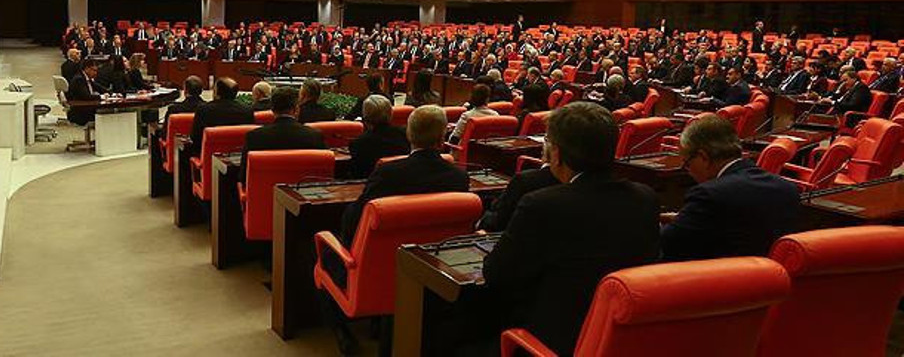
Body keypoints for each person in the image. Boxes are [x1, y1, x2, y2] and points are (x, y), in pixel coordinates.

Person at [481, 102, 660, 356]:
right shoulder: (645, 199)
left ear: (556, 154)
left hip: (551, 341)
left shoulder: (542, 204)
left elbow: (496, 274)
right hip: (622, 339)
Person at [323, 105, 469, 355]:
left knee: (326, 251)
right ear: (442, 136)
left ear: (409, 135)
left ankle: (342, 330)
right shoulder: (458, 177)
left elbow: (353, 220)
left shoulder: (388, 173)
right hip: (434, 269)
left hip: (378, 270)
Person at [660, 114, 800, 261]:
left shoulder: (709, 194)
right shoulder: (787, 189)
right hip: (769, 273)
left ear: (703, 157)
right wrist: (686, 218)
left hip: (719, 272)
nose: (688, 171)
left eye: (687, 164)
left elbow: (668, 243)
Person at [239, 87, 324, 183]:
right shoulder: (315, 135)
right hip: (302, 190)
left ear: (272, 109)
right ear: (296, 109)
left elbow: (243, 177)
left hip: (263, 190)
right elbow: (322, 176)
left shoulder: (254, 137)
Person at [346, 94, 409, 179]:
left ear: (365, 116)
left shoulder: (359, 143)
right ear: (391, 113)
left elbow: (358, 174)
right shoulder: (405, 135)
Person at [190, 78, 254, 153]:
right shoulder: (247, 110)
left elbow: (195, 137)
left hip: (208, 154)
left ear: (216, 92)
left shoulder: (204, 110)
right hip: (237, 155)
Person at [65, 60, 103, 126]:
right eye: (94, 70)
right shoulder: (79, 79)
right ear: (87, 69)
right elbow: (86, 96)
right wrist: (101, 97)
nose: (95, 73)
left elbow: (99, 88)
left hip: (83, 108)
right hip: (80, 113)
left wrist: (112, 94)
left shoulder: (86, 78)